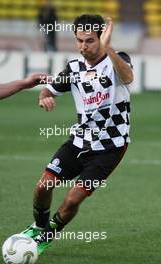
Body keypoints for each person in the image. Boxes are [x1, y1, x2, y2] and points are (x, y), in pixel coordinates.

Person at [22, 14, 133, 255]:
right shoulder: (74, 68)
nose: (83, 46)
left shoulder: (118, 60)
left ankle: (46, 237)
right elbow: (47, 89)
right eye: (79, 41)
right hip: (79, 142)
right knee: (43, 186)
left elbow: (128, 77)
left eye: (90, 41)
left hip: (109, 148)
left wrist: (108, 48)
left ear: (101, 38)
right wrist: (45, 97)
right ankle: (38, 226)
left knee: (72, 200)